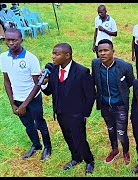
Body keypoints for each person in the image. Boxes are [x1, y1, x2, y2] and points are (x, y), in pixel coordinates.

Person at [41, 43, 95, 175]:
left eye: (57, 54)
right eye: (53, 53)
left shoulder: (82, 72)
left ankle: (89, 160)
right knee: (68, 137)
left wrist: (84, 114)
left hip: (76, 114)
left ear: (67, 55)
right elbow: (49, 91)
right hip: (60, 112)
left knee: (80, 138)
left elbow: (91, 95)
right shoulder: (54, 70)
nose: (53, 57)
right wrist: (44, 83)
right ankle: (76, 158)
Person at [0, 28, 52, 161]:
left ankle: (47, 147)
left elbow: (37, 84)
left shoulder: (30, 58)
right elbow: (6, 81)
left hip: (32, 98)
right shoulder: (3, 57)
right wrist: (13, 104)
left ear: (21, 40)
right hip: (17, 99)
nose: (11, 43)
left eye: (14, 40)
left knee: (40, 123)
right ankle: (36, 144)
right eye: (8, 40)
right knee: (28, 124)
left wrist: (24, 105)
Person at [91, 39, 134, 166]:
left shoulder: (125, 67)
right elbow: (94, 81)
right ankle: (115, 150)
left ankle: (126, 152)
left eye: (106, 50)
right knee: (110, 130)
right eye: (100, 51)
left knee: (121, 133)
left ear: (113, 51)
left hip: (120, 105)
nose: (103, 53)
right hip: (105, 105)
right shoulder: (95, 64)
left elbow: (131, 83)